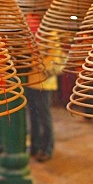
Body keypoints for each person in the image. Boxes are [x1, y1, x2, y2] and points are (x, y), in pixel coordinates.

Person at [26, 29, 63, 163]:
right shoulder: (33, 32)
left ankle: (47, 148)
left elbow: (54, 59)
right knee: (33, 117)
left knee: (44, 117)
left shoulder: (50, 34)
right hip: (31, 81)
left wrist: (34, 61)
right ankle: (35, 146)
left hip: (44, 83)